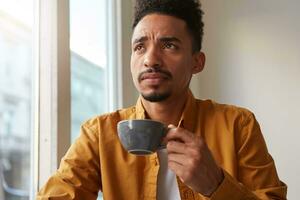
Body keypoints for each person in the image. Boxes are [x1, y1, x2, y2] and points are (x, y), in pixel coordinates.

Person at [37, 0, 287, 199]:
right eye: (139, 47)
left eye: (169, 45)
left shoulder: (238, 125)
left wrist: (217, 185)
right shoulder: (99, 135)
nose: (150, 60)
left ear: (196, 62)